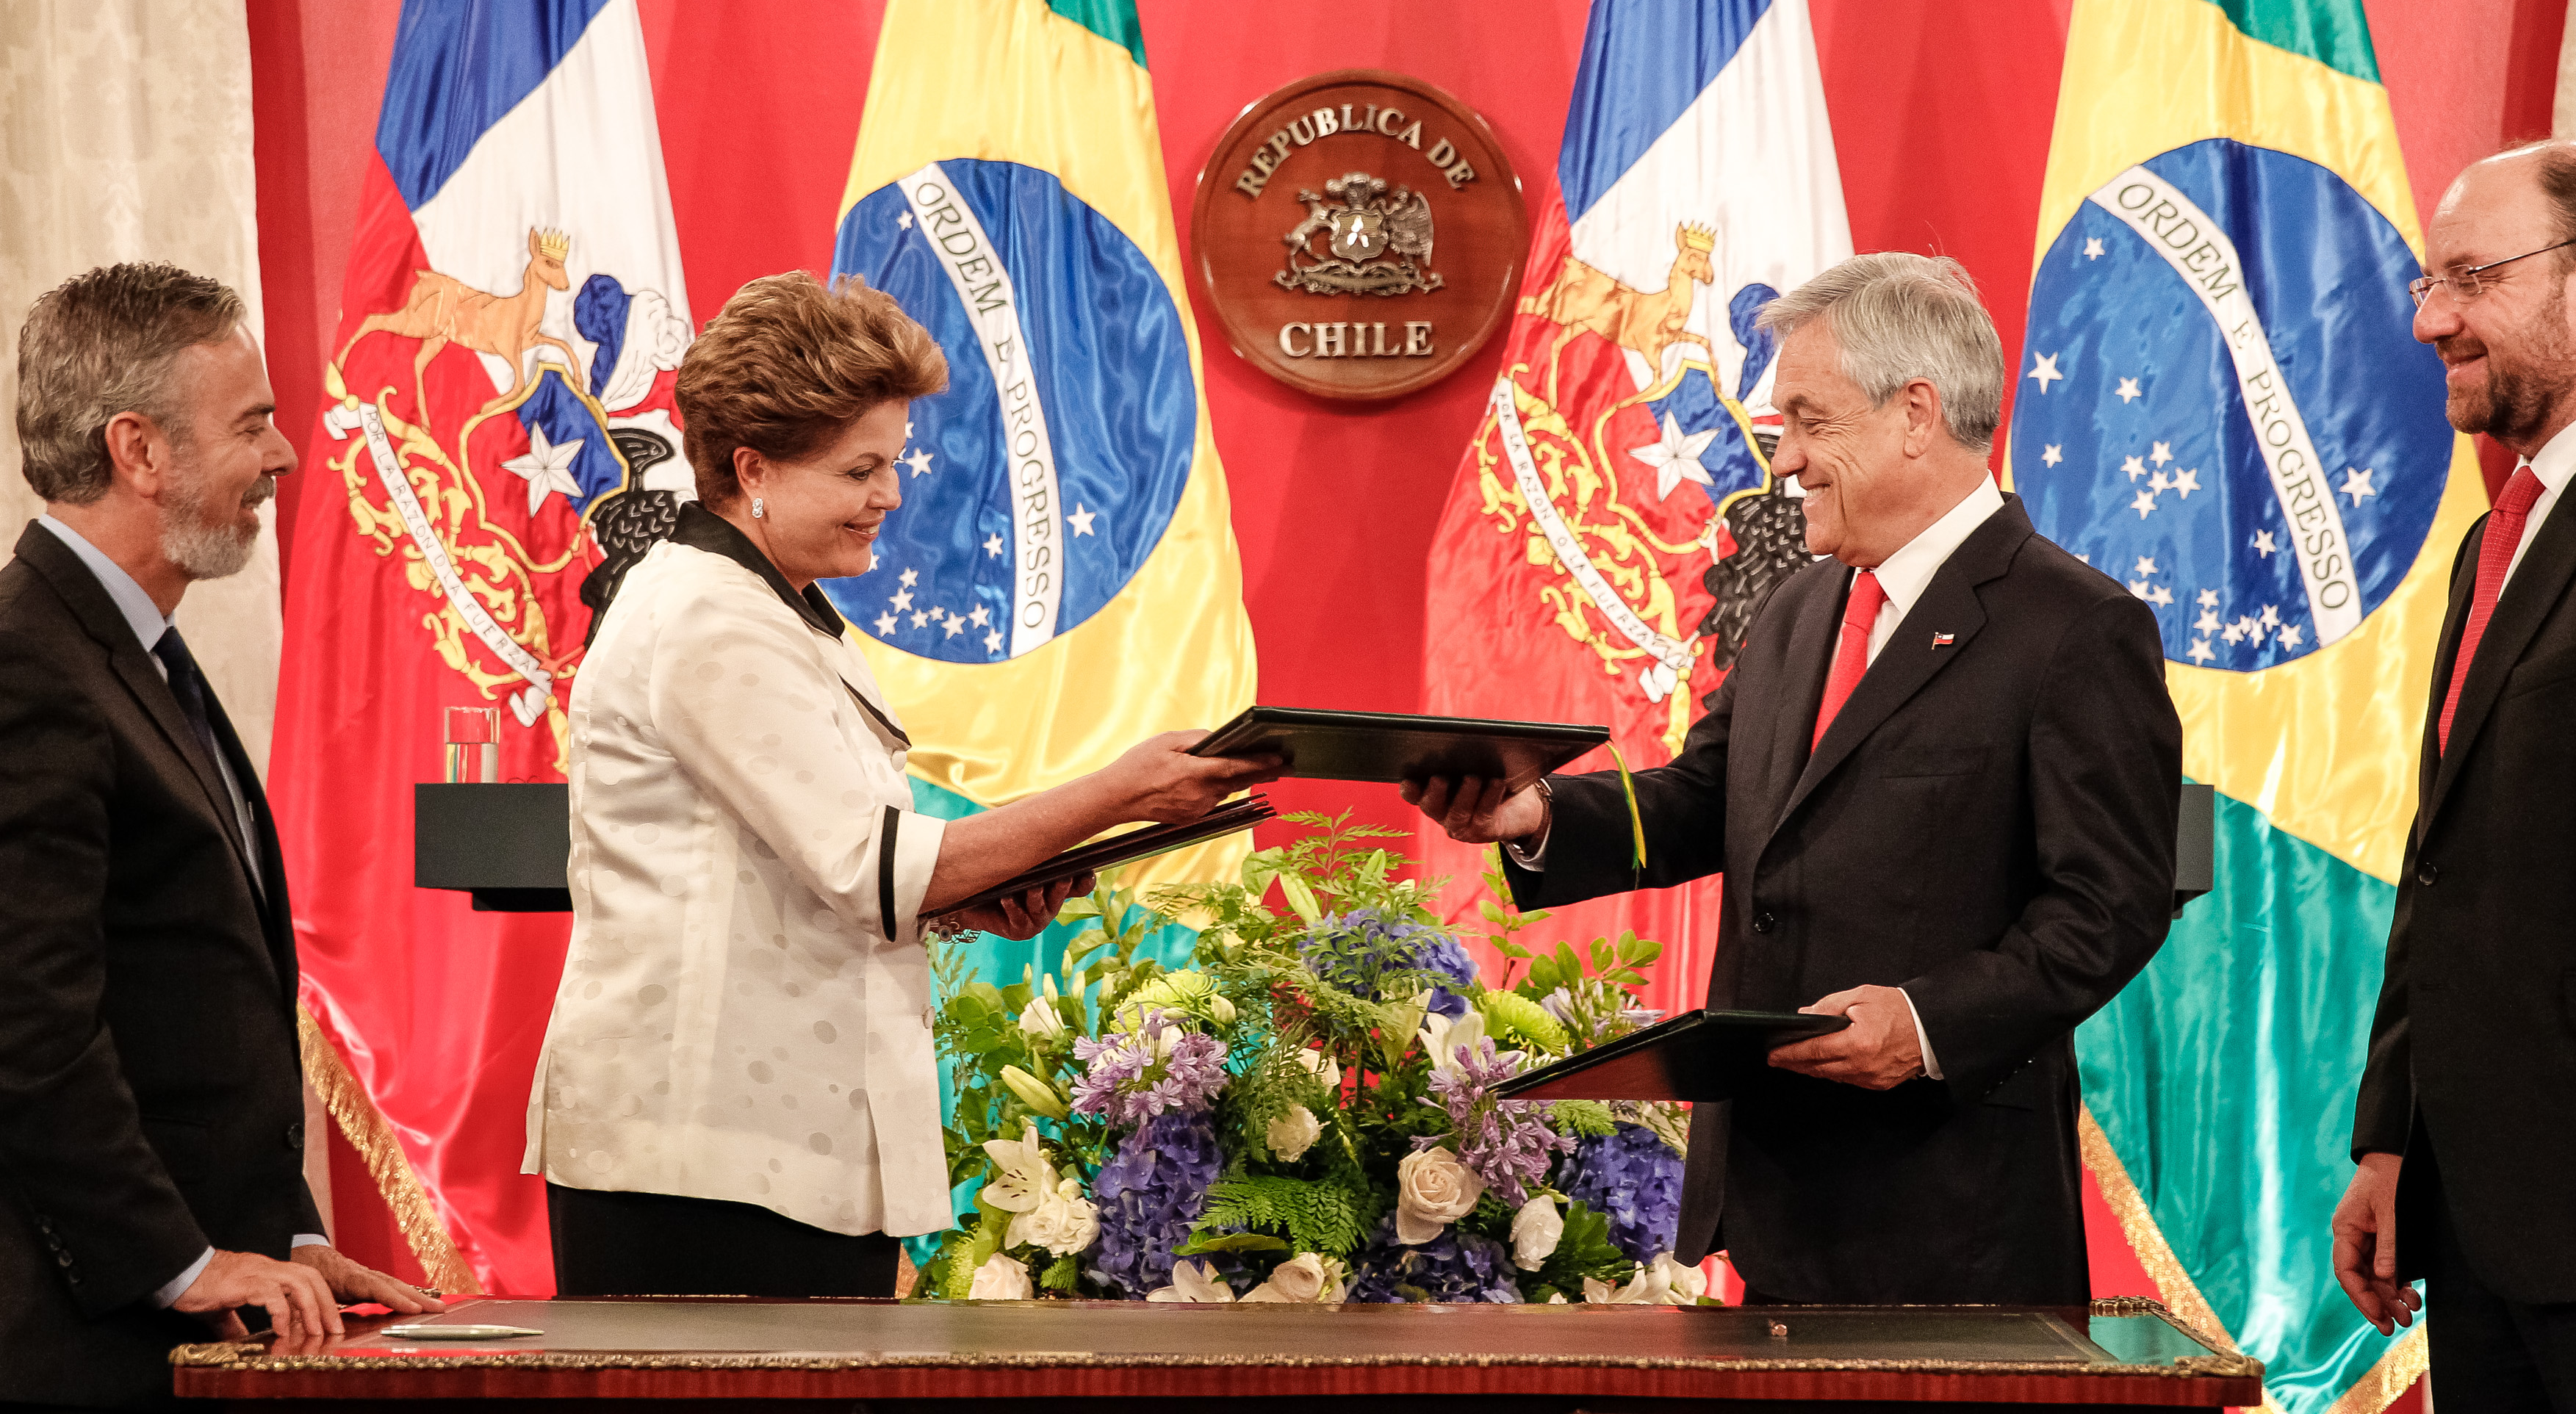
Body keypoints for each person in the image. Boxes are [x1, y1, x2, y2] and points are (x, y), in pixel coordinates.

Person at [1408, 253, 2180, 1305]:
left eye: (1808, 423)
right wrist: (1535, 812)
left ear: (1916, 412)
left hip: (1947, 1204)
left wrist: (1921, 1022)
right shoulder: (1799, 606)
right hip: (1769, 1197)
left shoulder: (2075, 628)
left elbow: (2111, 904)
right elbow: (1713, 798)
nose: (1782, 461)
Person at [525, 273, 1273, 1299]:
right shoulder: (710, 615)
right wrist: (1126, 788)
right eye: (861, 468)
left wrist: (966, 893)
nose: (891, 496)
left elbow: (830, 862)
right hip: (703, 1162)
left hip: (769, 1146)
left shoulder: (772, 608)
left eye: (893, 464)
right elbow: (870, 869)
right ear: (753, 469)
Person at [0, 264, 436, 1410]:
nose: (284, 456)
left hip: (192, 1317)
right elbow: (30, 1026)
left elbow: (191, 1003)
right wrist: (180, 1262)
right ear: (138, 450)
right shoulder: (26, 663)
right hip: (81, 1331)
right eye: (252, 423)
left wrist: (280, 1230)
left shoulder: (136, 649)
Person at [2335, 141, 2576, 1404]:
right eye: (2427, 284)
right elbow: (2445, 866)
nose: (2429, 319)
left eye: (2469, 277)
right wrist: (2390, 1137)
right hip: (2480, 1235)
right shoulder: (2497, 539)